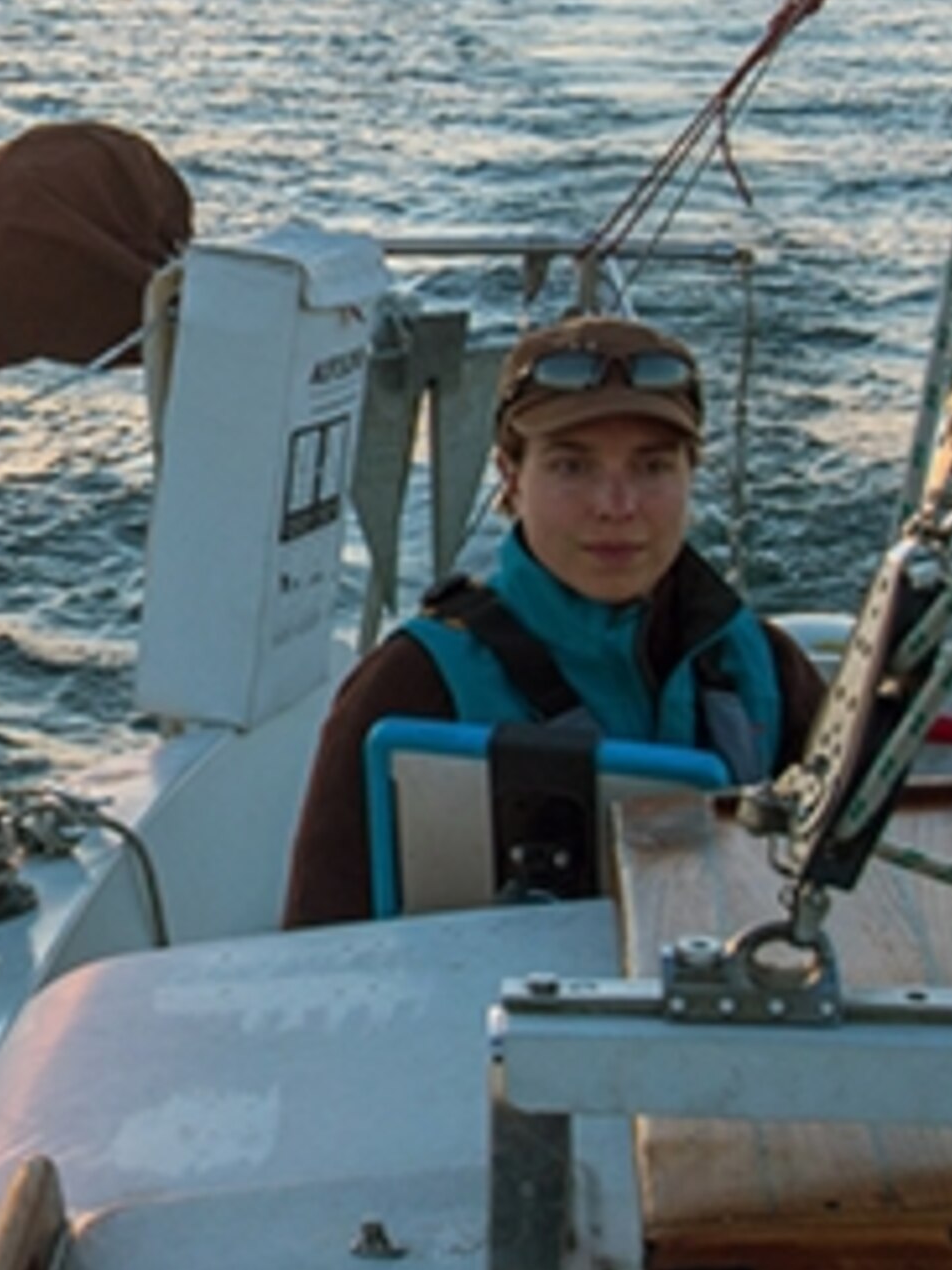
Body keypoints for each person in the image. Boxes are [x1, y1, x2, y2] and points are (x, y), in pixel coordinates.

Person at [281, 312, 826, 927]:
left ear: (690, 475)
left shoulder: (767, 671)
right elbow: (319, 945)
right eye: (573, 466)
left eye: (652, 467)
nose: (616, 506)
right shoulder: (410, 687)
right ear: (510, 480)